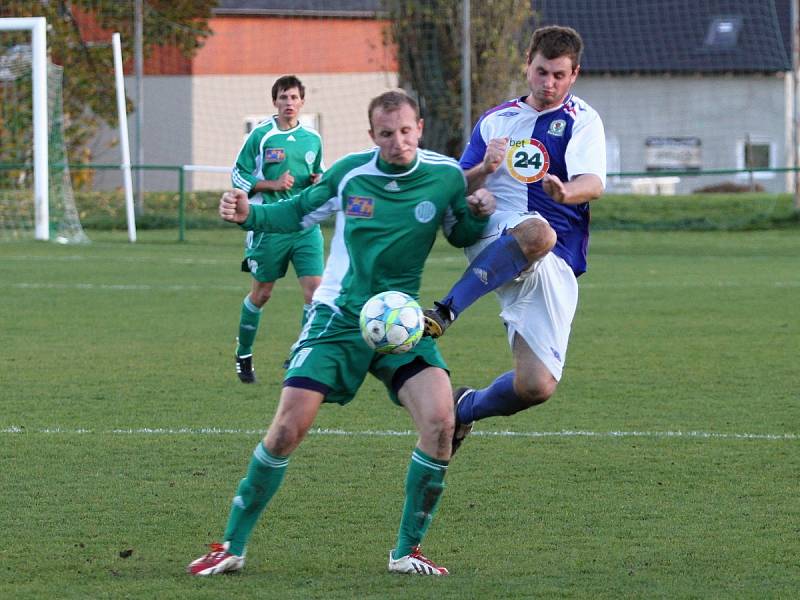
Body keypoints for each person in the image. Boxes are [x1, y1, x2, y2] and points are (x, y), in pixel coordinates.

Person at [187, 90, 495, 577]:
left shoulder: (444, 177)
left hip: (400, 324)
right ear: (372, 135)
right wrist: (250, 215)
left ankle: (405, 553)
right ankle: (231, 545)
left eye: (406, 131)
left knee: (440, 423)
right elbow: (296, 212)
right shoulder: (351, 173)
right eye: (387, 133)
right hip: (339, 315)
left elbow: (459, 232)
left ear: (420, 128)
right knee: (289, 427)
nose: (398, 142)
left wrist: (478, 209)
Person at [423, 25, 606, 453]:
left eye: (559, 75)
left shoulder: (582, 120)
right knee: (536, 230)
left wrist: (567, 192)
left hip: (554, 261)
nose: (549, 83)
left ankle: (464, 409)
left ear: (574, 73)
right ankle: (445, 310)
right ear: (527, 64)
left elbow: (594, 182)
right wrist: (483, 174)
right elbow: (458, 184)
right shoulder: (496, 119)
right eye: (542, 72)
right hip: (497, 232)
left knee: (535, 386)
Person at [231, 75, 325, 383]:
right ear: (275, 101)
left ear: (302, 102)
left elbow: (318, 172)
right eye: (283, 97)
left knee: (315, 293)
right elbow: (238, 175)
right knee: (262, 294)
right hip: (269, 224)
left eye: (294, 98)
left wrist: (317, 181)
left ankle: (301, 352)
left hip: (305, 224)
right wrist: (270, 184)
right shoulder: (261, 135)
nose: (289, 103)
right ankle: (243, 354)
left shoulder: (314, 139)